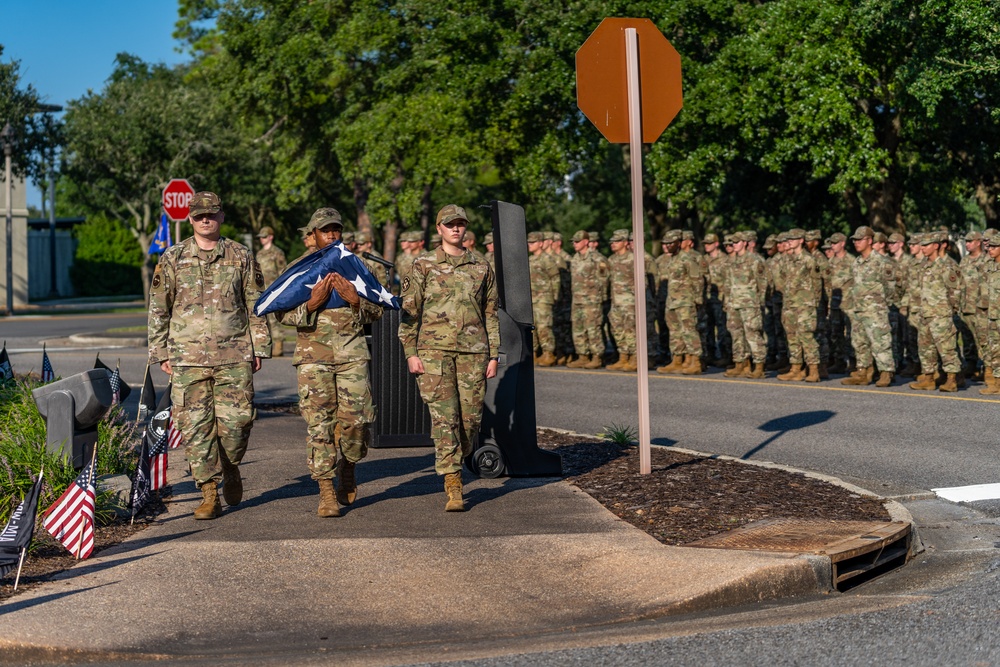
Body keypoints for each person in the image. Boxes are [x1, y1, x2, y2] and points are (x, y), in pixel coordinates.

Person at [148, 191, 271, 520]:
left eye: (212, 214)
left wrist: (260, 346)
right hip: (187, 358)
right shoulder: (173, 258)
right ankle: (208, 492)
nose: (206, 219)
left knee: (237, 425)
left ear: (221, 217)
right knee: (195, 427)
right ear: (190, 219)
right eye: (199, 215)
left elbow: (256, 304)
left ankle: (231, 468)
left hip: (235, 355)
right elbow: (159, 308)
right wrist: (160, 352)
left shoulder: (241, 255)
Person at [275, 208, 384, 517]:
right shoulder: (299, 270)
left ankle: (348, 465)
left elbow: (378, 308)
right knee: (319, 426)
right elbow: (281, 313)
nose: (333, 234)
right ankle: (325, 490)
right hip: (313, 360)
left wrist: (354, 299)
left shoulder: (356, 266)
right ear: (313, 236)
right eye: (325, 230)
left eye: (336, 229)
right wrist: (310, 305)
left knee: (356, 423)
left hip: (352, 356)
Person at [399, 204, 500, 512]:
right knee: (446, 419)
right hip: (433, 354)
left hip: (473, 352)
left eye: (460, 224)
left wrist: (494, 355)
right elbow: (409, 312)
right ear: (439, 229)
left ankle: (458, 457)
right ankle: (453, 483)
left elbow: (490, 313)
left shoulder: (480, 265)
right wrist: (410, 352)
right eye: (450, 224)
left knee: (470, 421)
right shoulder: (423, 264)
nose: (456, 228)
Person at [842, 226, 896, 387]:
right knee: (859, 342)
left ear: (870, 241)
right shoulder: (856, 263)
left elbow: (891, 287)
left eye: (859, 240)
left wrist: (879, 304)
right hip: (858, 308)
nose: (856, 243)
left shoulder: (881, 261)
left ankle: (886, 372)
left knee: (880, 341)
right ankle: (863, 372)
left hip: (875, 309)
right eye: (854, 240)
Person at [566, 230, 610, 369]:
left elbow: (604, 279)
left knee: (593, 329)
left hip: (592, 300)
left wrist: (601, 298)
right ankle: (583, 356)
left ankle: (597, 356)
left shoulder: (597, 259)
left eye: (577, 241)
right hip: (577, 299)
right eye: (573, 242)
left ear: (586, 241)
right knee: (578, 328)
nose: (574, 244)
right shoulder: (575, 258)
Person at [255, 226, 287, 356]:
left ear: (271, 237)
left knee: (274, 319)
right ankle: (267, 345)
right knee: (263, 319)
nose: (262, 239)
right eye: (261, 237)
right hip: (262, 290)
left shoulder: (277, 252)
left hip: (274, 289)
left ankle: (278, 344)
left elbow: (283, 271)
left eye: (264, 237)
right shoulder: (259, 254)